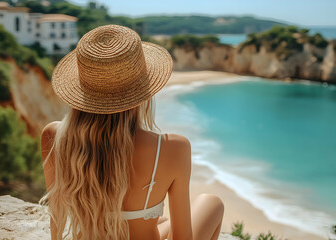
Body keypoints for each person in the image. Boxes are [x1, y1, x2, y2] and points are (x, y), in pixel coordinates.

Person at [40, 25, 224, 240]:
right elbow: (183, 237)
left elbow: (56, 218)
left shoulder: (54, 136)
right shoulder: (174, 147)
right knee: (212, 202)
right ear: (142, 90)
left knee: (164, 222)